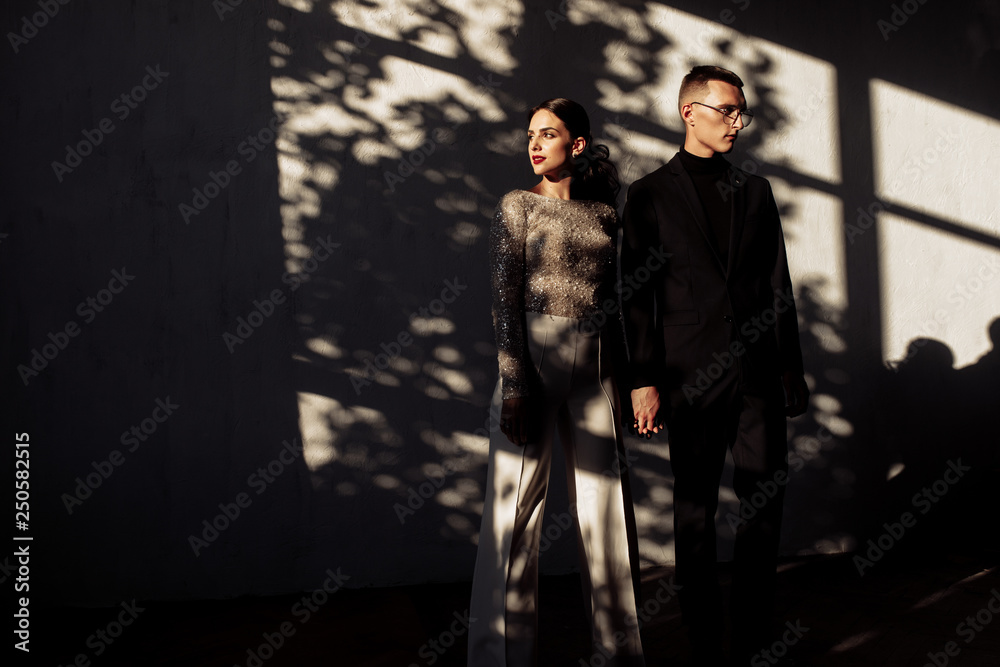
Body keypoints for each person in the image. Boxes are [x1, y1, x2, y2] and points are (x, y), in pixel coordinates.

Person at [620, 66, 809, 665]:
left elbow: (777, 284)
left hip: (758, 373)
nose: (737, 122)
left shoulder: (755, 192)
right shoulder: (648, 194)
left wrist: (790, 369)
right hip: (687, 375)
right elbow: (635, 296)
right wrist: (643, 377)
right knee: (695, 509)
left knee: (762, 507)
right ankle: (704, 642)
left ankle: (753, 637)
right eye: (727, 110)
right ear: (688, 111)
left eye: (741, 112)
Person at [468, 98, 645, 667]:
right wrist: (515, 384)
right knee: (513, 518)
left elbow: (616, 303)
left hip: (597, 368)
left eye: (549, 134)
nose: (535, 144)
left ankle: (620, 655)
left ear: (579, 145)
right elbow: (503, 300)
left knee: (608, 514)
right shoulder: (516, 206)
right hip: (534, 364)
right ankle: (501, 659)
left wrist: (630, 380)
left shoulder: (604, 216)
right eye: (530, 135)